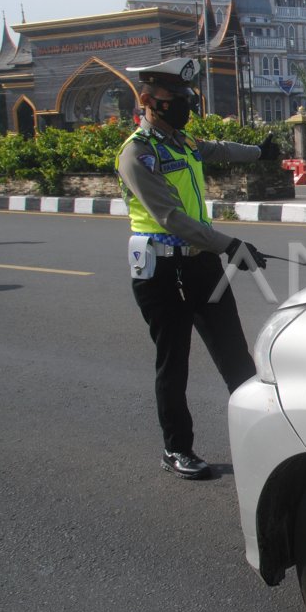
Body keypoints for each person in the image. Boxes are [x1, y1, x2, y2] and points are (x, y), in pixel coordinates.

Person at [116, 57, 280, 479]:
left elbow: (216, 150)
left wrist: (260, 151)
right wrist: (231, 245)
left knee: (236, 359)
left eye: (188, 98)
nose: (185, 106)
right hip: (161, 271)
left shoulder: (180, 143)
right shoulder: (138, 154)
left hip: (201, 265)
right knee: (175, 362)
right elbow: (173, 219)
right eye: (177, 100)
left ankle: (265, 443)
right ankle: (176, 449)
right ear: (149, 101)